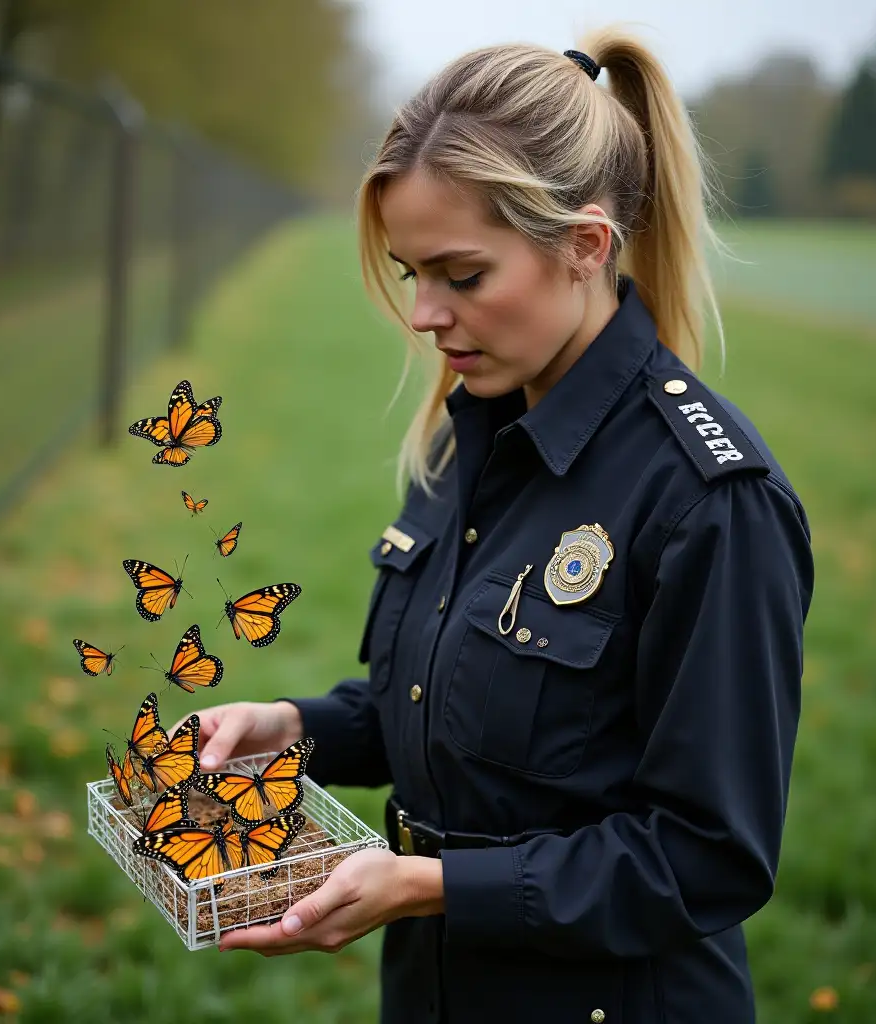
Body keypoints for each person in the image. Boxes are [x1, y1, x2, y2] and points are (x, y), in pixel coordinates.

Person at [174, 28, 814, 1024]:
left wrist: (433, 885)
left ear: (585, 246)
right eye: (408, 272)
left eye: (461, 275)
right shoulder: (465, 431)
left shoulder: (708, 502)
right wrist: (295, 729)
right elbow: (447, 707)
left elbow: (704, 857)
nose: (425, 315)